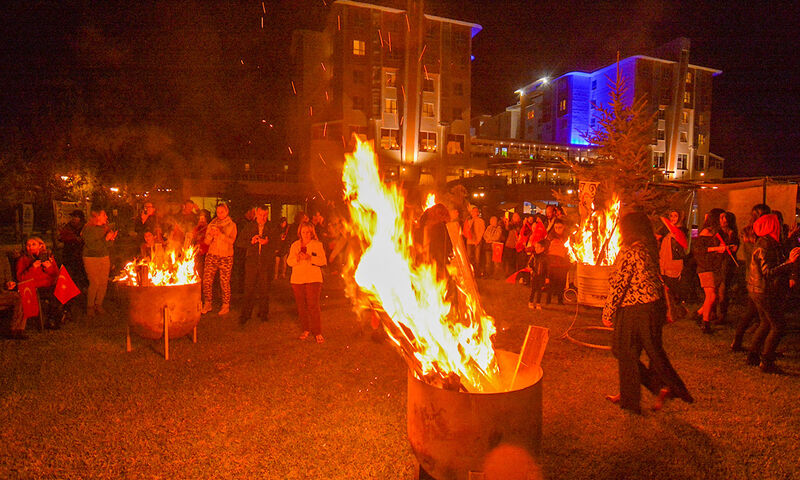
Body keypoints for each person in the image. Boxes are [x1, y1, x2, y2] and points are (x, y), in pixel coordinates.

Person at [602, 212, 693, 414]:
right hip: (651, 308)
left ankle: (653, 390)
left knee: (625, 350)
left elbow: (619, 284)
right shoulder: (648, 247)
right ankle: (635, 394)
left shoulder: (630, 251)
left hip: (635, 308)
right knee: (638, 351)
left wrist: (608, 312)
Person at [745, 214, 800, 373]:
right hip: (764, 291)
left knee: (765, 323)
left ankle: (753, 355)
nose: (779, 225)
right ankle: (767, 362)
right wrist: (789, 262)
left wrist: (789, 238)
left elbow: (778, 254)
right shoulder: (765, 245)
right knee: (778, 326)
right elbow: (768, 272)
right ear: (771, 226)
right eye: (777, 223)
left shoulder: (767, 242)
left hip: (757, 289)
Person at [732, 204, 770, 351]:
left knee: (752, 311)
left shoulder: (748, 232)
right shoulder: (758, 235)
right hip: (757, 277)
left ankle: (738, 341)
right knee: (762, 316)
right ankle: (759, 348)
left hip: (750, 274)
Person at [287, 221, 327, 343]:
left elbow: (323, 261)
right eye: (304, 232)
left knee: (313, 305)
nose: (306, 234)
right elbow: (289, 262)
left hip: (313, 278)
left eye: (308, 232)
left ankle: (317, 332)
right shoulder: (295, 245)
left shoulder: (317, 245)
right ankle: (305, 329)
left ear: (312, 233)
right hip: (298, 279)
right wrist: (297, 258)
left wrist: (310, 258)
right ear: (300, 232)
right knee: (301, 306)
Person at [236, 205, 274, 324]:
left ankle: (263, 313)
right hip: (252, 262)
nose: (263, 217)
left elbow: (276, 244)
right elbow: (239, 242)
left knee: (264, 289)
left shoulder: (271, 227)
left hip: (265, 262)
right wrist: (251, 242)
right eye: (261, 215)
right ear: (256, 214)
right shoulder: (249, 227)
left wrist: (267, 242)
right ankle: (246, 314)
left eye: (265, 215)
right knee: (249, 289)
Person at [691, 208, 726, 333]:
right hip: (705, 267)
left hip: (713, 266)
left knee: (713, 296)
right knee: (711, 295)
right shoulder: (705, 232)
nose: (724, 220)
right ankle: (705, 323)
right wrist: (716, 248)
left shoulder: (717, 232)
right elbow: (699, 250)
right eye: (721, 217)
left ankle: (698, 314)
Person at [202, 203, 237, 316]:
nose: (220, 214)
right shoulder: (212, 224)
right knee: (207, 280)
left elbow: (231, 241)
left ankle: (225, 305)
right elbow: (206, 242)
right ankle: (208, 303)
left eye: (222, 212)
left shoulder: (231, 225)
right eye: (218, 212)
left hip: (225, 256)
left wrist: (220, 235)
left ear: (227, 212)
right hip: (212, 255)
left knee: (224, 282)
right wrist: (210, 236)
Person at [81, 207, 118, 317]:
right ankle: (90, 306)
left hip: (104, 256)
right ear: (97, 216)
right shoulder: (88, 229)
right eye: (104, 215)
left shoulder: (105, 228)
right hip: (91, 257)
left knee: (103, 282)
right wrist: (105, 240)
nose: (106, 217)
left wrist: (111, 239)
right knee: (95, 282)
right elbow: (92, 246)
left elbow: (107, 246)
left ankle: (99, 304)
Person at [659, 210, 689, 320]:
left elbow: (681, 243)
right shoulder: (665, 228)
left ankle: (678, 309)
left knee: (674, 285)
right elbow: (658, 236)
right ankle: (669, 309)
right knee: (666, 284)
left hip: (675, 261)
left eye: (675, 216)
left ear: (680, 217)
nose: (673, 218)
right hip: (664, 259)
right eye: (671, 216)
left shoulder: (682, 230)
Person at [716, 211, 740, 324]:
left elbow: (734, 247)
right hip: (716, 262)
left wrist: (730, 247)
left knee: (723, 288)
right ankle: (713, 313)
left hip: (726, 263)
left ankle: (722, 314)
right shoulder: (717, 232)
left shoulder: (732, 233)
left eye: (725, 219)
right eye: (721, 219)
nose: (723, 221)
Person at [58, 210, 87, 288]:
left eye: (76, 217)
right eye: (73, 217)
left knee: (81, 273)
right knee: (69, 273)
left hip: (81, 254)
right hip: (69, 254)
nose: (73, 219)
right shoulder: (68, 227)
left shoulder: (85, 227)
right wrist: (74, 238)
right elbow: (63, 236)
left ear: (80, 219)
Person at [546, 218, 570, 305]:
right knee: (551, 282)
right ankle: (548, 299)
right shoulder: (551, 236)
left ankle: (560, 300)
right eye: (556, 227)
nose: (557, 229)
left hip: (563, 264)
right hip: (552, 263)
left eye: (560, 227)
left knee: (561, 282)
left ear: (564, 227)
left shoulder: (567, 237)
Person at [1, 257, 26, 339]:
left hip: (2, 293)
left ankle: (17, 330)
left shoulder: (2, 258)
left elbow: (7, 279)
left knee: (21, 297)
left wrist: (9, 283)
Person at [463, 207, 486, 277]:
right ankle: (470, 272)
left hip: (477, 241)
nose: (474, 213)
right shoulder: (469, 221)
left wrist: (478, 240)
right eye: (472, 212)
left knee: (477, 258)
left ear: (478, 213)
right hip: (470, 241)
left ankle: (477, 273)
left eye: (475, 212)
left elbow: (482, 231)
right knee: (469, 257)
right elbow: (467, 230)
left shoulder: (481, 221)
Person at [527, 238, 550, 310]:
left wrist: (547, 277)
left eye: (537, 247)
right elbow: (529, 264)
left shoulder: (546, 258)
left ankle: (538, 303)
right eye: (535, 247)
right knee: (533, 290)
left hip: (542, 277)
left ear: (542, 248)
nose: (536, 249)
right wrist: (530, 269)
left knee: (540, 290)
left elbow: (547, 268)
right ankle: (530, 302)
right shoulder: (534, 256)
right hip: (534, 276)